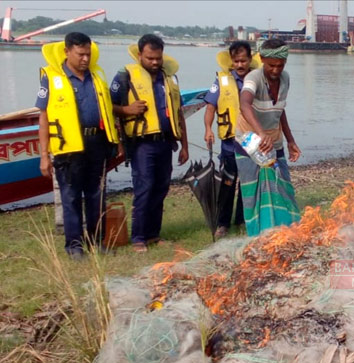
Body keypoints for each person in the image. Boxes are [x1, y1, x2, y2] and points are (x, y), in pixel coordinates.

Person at [36, 32, 122, 259]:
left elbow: (108, 110)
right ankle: (74, 246)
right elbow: (43, 118)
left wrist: (117, 141)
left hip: (97, 143)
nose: (85, 59)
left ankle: (96, 241)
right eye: (80, 54)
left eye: (88, 54)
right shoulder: (51, 78)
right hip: (68, 148)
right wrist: (44, 155)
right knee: (71, 196)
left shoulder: (96, 75)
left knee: (97, 195)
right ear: (67, 52)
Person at [110, 34, 189, 252]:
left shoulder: (168, 78)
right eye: (149, 58)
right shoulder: (124, 76)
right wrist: (127, 110)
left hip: (165, 142)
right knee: (144, 188)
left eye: (158, 58)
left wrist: (185, 146)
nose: (154, 62)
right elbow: (108, 105)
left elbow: (179, 114)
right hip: (142, 143)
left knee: (161, 188)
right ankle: (138, 238)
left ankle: (154, 234)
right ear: (139, 55)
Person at [236, 38, 302, 236]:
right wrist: (260, 133)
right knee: (253, 193)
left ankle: (285, 232)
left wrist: (291, 141)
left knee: (282, 186)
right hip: (249, 143)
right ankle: (257, 234)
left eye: (280, 65)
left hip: (274, 141)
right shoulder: (252, 78)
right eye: (272, 65)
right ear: (262, 59)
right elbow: (244, 104)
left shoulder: (286, 79)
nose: (276, 70)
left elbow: (279, 110)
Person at [203, 41, 261, 239]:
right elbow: (210, 108)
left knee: (248, 181)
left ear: (250, 59)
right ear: (232, 61)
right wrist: (207, 129)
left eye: (243, 60)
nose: (240, 65)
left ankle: (243, 220)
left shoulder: (257, 79)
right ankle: (223, 223)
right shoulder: (221, 80)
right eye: (236, 61)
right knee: (228, 183)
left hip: (250, 140)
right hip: (229, 142)